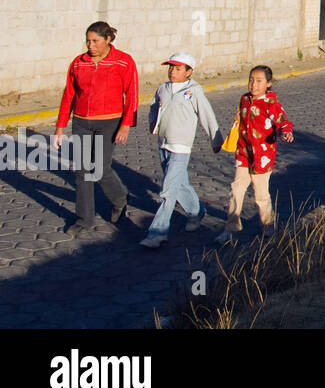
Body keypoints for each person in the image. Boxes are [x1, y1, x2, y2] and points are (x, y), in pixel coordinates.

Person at [53, 21, 139, 236]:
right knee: (82, 171)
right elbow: (69, 95)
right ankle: (84, 219)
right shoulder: (78, 63)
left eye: (95, 41)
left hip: (110, 121)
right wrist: (60, 127)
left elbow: (133, 94)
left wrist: (126, 124)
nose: (90, 45)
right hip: (81, 121)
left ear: (108, 39)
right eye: (88, 40)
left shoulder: (123, 62)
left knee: (100, 168)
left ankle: (120, 198)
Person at [140, 52, 223, 249]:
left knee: (168, 190)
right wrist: (154, 124)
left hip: (181, 147)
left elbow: (206, 115)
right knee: (180, 185)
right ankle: (196, 211)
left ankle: (157, 233)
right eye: (171, 68)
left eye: (178, 69)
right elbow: (154, 108)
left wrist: (216, 138)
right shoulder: (163, 89)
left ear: (189, 72)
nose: (172, 72)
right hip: (163, 144)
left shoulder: (194, 92)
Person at [215, 65, 293, 245]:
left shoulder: (270, 104)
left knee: (261, 195)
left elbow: (282, 121)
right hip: (243, 153)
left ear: (268, 83)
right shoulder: (244, 99)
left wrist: (286, 132)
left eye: (259, 81)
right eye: (251, 80)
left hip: (262, 157)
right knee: (236, 189)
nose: (253, 85)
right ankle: (230, 228)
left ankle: (268, 227)